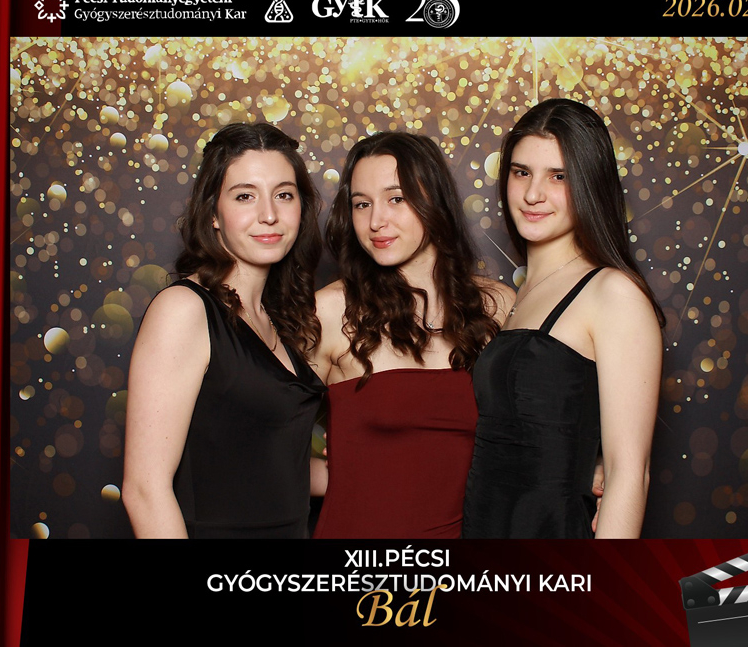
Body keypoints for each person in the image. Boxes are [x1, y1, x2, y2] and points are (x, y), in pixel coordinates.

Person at [462, 98, 664, 539]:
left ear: (590, 183)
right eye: (521, 173)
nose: (533, 194)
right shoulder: (515, 299)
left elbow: (630, 474)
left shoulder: (613, 293)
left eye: (559, 176)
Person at [121, 123, 326, 538]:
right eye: (245, 196)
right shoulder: (184, 310)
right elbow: (144, 490)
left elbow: (266, 463)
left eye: (284, 195)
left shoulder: (279, 318)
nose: (269, 214)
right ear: (213, 213)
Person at [311, 131, 514, 539]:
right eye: (361, 204)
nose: (375, 221)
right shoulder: (330, 311)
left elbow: (530, 440)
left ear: (434, 201)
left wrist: (592, 470)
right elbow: (261, 446)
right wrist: (353, 473)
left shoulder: (498, 305)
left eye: (396, 199)